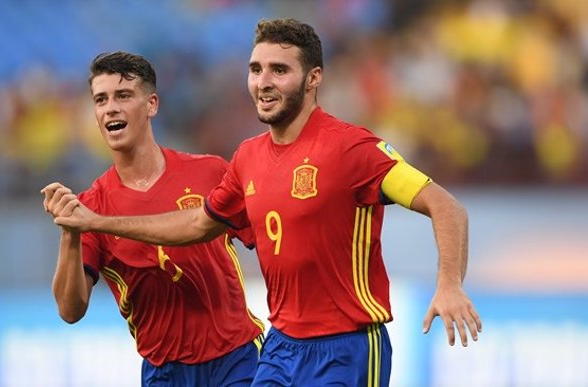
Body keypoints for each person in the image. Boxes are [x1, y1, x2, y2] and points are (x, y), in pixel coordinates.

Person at [47, 19, 483, 386]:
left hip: (345, 346)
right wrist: (95, 223)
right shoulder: (247, 158)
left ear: (313, 78)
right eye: (256, 69)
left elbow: (446, 206)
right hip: (279, 347)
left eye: (279, 70)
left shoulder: (353, 148)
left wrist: (449, 283)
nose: (263, 81)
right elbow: (197, 225)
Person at [41, 51, 265, 386]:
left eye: (123, 95)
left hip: (238, 359)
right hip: (165, 372)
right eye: (100, 100)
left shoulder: (211, 171)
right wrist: (70, 232)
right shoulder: (91, 206)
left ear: (152, 105)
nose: (110, 108)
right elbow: (70, 310)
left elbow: (268, 240)